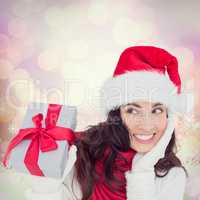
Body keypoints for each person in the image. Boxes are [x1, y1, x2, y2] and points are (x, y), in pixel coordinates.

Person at [24, 46, 190, 200]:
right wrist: (45, 191)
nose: (146, 125)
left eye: (157, 110)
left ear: (168, 117)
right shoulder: (79, 157)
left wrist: (143, 171)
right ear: (116, 115)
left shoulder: (172, 175)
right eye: (133, 110)